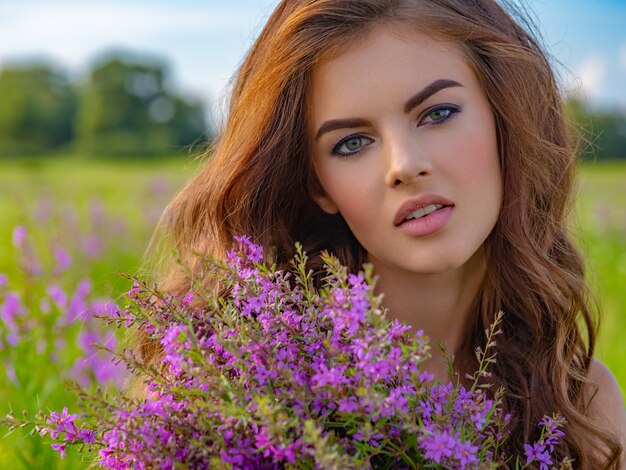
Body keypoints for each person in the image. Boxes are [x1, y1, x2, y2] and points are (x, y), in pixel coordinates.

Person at [152, 0, 626, 467]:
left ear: (506, 116)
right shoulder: (249, 391)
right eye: (352, 143)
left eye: (437, 113)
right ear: (319, 186)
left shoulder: (582, 408)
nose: (404, 165)